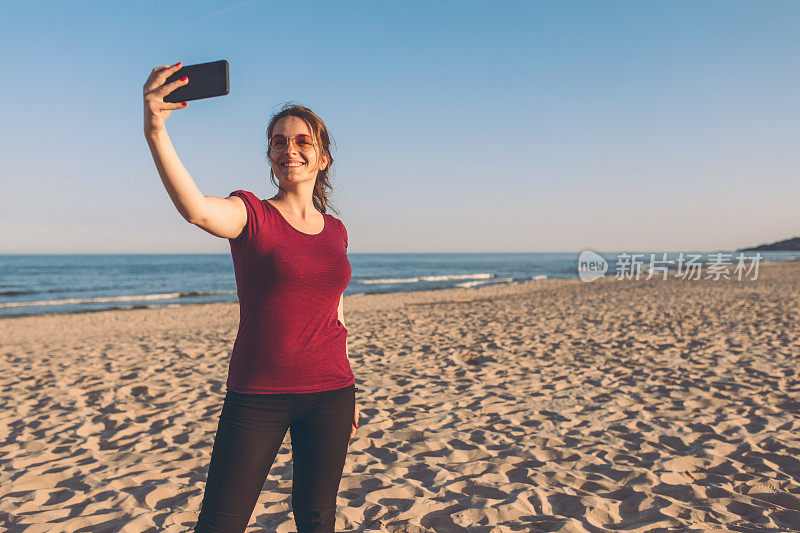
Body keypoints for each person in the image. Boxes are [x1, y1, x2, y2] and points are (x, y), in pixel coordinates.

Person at [143, 62, 359, 533]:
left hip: (332, 393)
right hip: (258, 394)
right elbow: (197, 209)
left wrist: (349, 384)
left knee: (318, 517)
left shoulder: (336, 231)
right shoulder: (251, 214)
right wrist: (155, 129)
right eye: (279, 141)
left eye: (304, 141)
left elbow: (335, 309)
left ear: (323, 158)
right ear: (270, 156)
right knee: (221, 522)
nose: (290, 149)